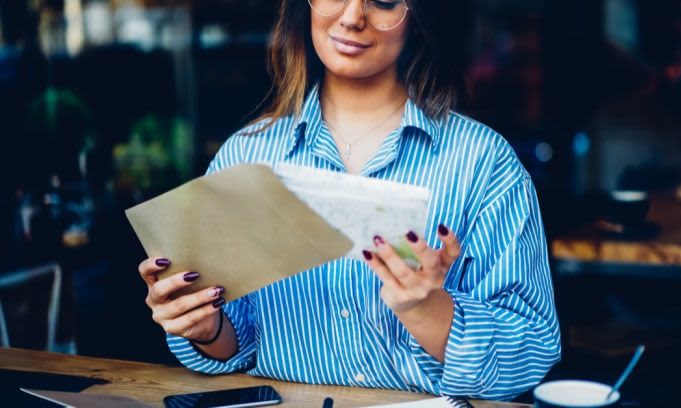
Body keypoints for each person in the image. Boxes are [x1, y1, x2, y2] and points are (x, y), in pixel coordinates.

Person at [138, 0, 560, 400]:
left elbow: (533, 352)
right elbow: (240, 345)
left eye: (384, 0)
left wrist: (428, 309)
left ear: (416, 15)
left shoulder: (483, 163)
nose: (353, 16)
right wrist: (204, 326)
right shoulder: (245, 156)